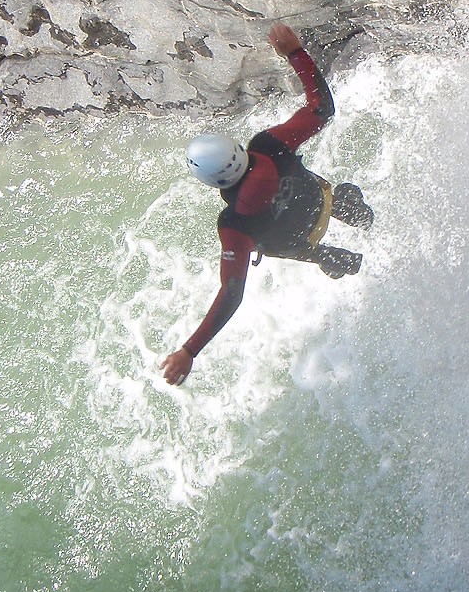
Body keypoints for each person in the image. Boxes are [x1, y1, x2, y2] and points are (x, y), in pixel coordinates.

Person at [160, 22, 373, 386]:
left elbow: (231, 293)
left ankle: (329, 257)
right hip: (319, 202)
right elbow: (322, 109)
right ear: (237, 149)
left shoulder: (233, 225)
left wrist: (189, 350)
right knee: (339, 201)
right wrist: (295, 52)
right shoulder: (269, 145)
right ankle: (356, 215)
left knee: (299, 246)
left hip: (300, 243)